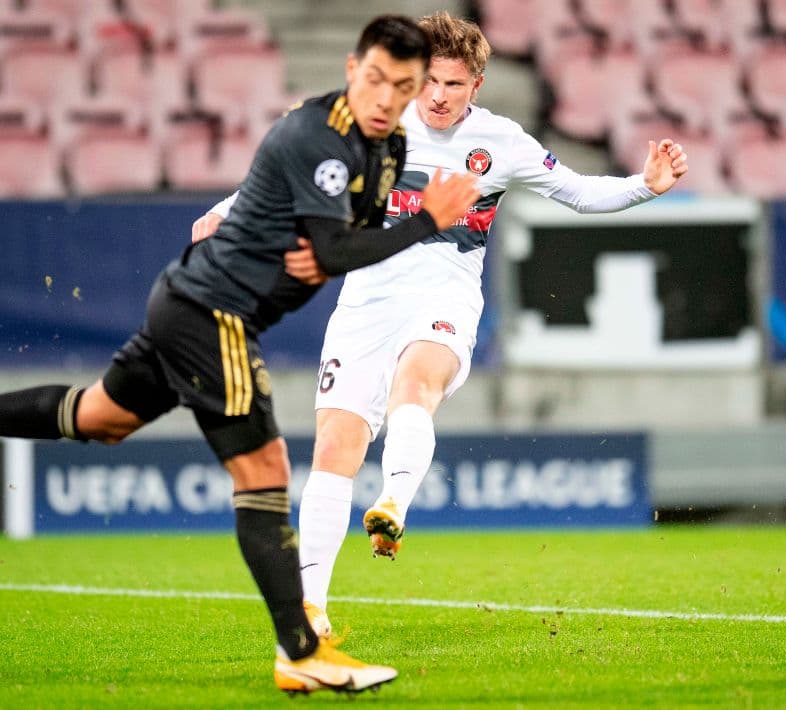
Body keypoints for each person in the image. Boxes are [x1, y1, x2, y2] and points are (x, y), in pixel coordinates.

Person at [0, 15, 480, 696]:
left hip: (188, 302)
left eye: (402, 85)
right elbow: (335, 249)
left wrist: (333, 242)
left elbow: (347, 237)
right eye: (375, 78)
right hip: (211, 314)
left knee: (99, 417)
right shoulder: (318, 137)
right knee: (265, 472)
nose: (386, 96)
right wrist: (423, 222)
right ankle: (301, 651)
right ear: (352, 70)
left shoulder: (388, 147)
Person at [191, 11, 690, 639]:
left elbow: (579, 192)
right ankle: (311, 611)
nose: (438, 96)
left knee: (416, 384)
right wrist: (225, 212)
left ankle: (393, 502)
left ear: (476, 84)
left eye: (453, 84)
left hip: (445, 294)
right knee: (335, 445)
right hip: (367, 300)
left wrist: (645, 185)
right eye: (429, 80)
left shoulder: (501, 141)